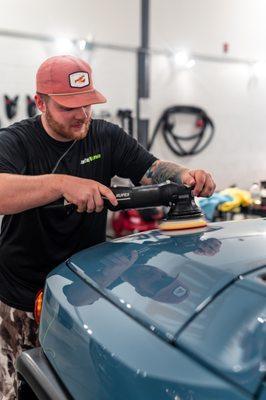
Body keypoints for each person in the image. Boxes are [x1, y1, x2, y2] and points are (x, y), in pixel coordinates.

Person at [0, 54, 215, 399]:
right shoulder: (16, 141)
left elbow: (152, 168)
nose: (82, 115)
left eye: (87, 104)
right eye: (68, 106)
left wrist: (184, 176)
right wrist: (61, 184)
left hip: (81, 292)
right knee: (18, 389)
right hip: (23, 297)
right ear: (40, 102)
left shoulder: (106, 137)